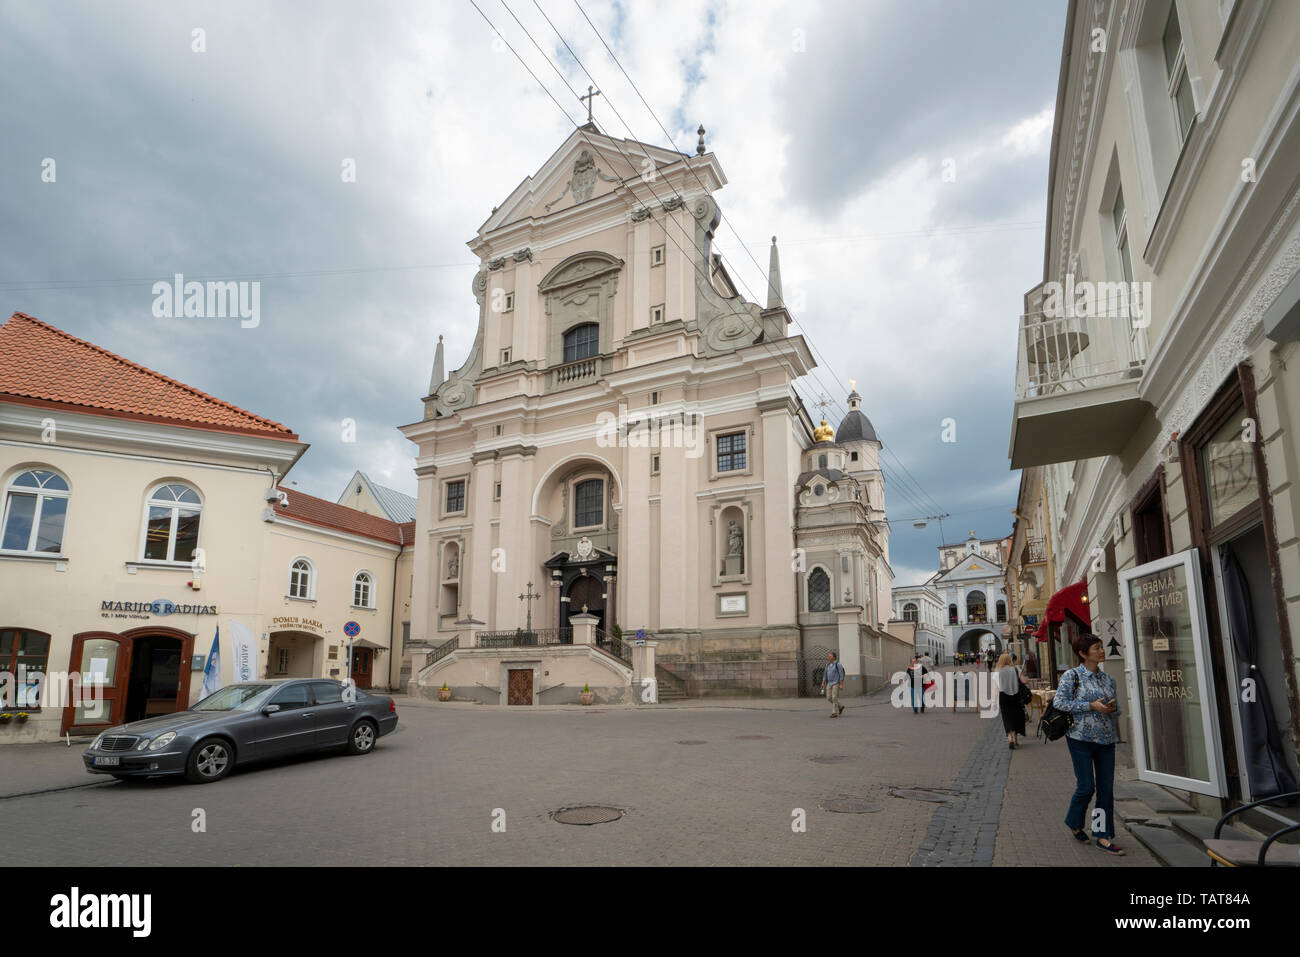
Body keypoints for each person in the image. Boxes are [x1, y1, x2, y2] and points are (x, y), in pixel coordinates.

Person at [1055, 632, 1125, 855]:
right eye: (1096, 648)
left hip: (1106, 739)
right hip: (1080, 739)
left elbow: (1118, 709)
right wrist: (1091, 706)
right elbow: (1060, 702)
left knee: (1105, 789)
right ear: (1083, 654)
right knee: (1086, 787)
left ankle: (1102, 835)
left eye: (1101, 647)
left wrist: (1112, 708)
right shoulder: (1072, 676)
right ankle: (1074, 822)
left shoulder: (1108, 679)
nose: (1102, 651)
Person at [995, 653, 1027, 749]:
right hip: (1016, 696)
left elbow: (996, 686)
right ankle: (1016, 738)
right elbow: (1024, 681)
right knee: (1016, 716)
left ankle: (1010, 738)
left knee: (1006, 717)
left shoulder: (997, 671)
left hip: (1003, 696)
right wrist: (1027, 679)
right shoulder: (1016, 668)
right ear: (1010, 659)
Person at [821, 651, 845, 718]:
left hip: (836, 683)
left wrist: (841, 684)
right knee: (829, 697)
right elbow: (825, 674)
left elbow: (841, 674)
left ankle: (834, 713)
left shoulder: (838, 664)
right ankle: (840, 706)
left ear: (834, 657)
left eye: (830, 656)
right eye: (828, 656)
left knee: (834, 697)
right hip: (829, 683)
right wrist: (823, 682)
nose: (829, 657)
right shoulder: (827, 665)